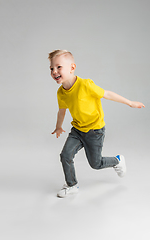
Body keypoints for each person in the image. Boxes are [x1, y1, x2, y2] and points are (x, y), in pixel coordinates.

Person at [48, 49, 145, 198]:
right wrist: (58, 126)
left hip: (94, 131)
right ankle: (71, 185)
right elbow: (62, 111)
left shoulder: (85, 85)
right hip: (77, 130)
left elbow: (106, 94)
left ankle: (117, 161)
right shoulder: (61, 93)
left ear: (72, 68)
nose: (54, 71)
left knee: (96, 164)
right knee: (65, 155)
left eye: (58, 67)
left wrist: (130, 103)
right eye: (51, 68)